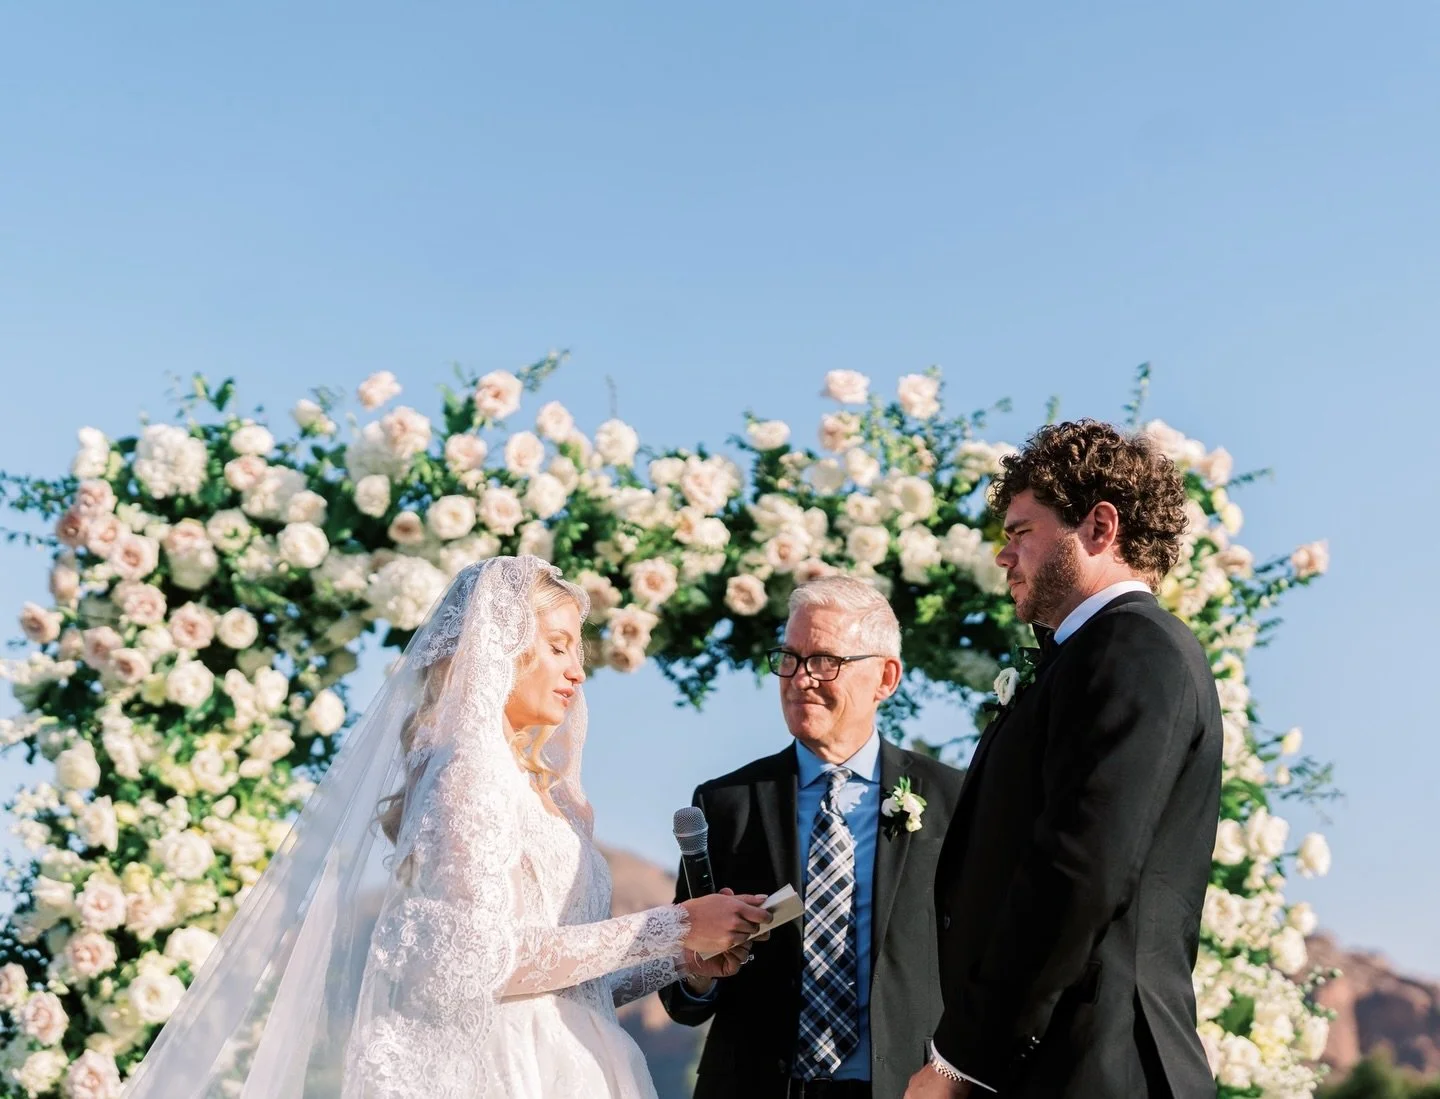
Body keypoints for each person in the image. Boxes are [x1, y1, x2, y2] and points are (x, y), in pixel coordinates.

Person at [125, 555, 770, 1098]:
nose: (577, 670)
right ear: (500, 652)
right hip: (495, 1069)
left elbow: (566, 981)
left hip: (575, 1065)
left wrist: (676, 959)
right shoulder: (467, 771)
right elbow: (475, 962)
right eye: (556, 647)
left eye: (578, 649)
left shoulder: (545, 793)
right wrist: (677, 921)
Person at [906, 421, 1223, 1098]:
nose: (1004, 555)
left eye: (1021, 531)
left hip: (1096, 1065)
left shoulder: (1135, 650)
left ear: (1099, 527)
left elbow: (1078, 870)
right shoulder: (1087, 656)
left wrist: (962, 1059)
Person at [662, 576, 965, 1099]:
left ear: (885, 677)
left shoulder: (952, 799)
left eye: (825, 660)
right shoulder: (727, 802)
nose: (800, 679)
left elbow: (980, 960)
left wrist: (956, 1072)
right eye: (789, 657)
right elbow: (684, 996)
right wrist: (696, 972)